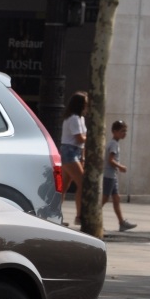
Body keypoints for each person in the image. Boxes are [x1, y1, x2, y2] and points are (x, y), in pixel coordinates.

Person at [60, 91, 89, 225]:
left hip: (75, 151)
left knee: (64, 186)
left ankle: (55, 216)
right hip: (69, 151)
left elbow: (80, 142)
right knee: (82, 184)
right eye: (86, 104)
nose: (87, 107)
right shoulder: (73, 119)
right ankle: (79, 216)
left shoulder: (80, 119)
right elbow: (79, 138)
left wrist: (82, 157)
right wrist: (93, 138)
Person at [102, 120, 137, 232]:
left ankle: (122, 222)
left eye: (125, 131)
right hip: (109, 175)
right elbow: (110, 160)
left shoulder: (114, 143)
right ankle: (92, 216)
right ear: (114, 131)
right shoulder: (113, 144)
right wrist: (120, 166)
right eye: (122, 131)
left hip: (113, 175)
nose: (124, 133)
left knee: (116, 198)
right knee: (104, 198)